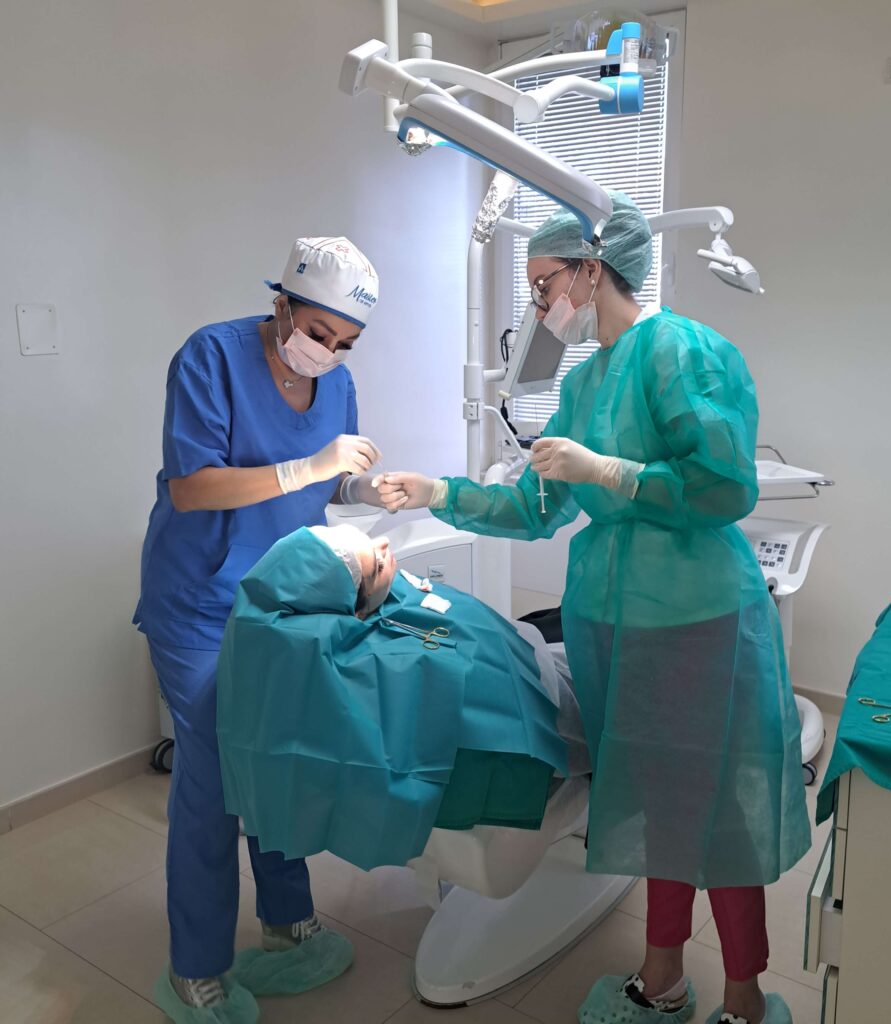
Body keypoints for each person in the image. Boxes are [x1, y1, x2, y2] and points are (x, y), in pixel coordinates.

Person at [377, 193, 811, 1024]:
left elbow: (725, 486)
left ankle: (747, 999)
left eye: (546, 286)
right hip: (614, 624)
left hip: (696, 620)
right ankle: (662, 979)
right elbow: (534, 506)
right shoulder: (584, 383)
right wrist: (437, 492)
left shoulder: (680, 348)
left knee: (716, 809)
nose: (542, 308)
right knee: (658, 803)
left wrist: (614, 472)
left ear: (591, 268)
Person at [134, 237, 389, 1024]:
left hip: (281, 593)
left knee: (278, 759)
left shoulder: (335, 382)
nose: (328, 353)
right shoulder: (211, 357)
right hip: (198, 601)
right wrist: (308, 468)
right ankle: (197, 965)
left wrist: (359, 488)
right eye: (319, 331)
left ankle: (287, 921)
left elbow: (324, 480)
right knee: (213, 780)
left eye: (345, 343)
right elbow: (191, 488)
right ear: (282, 302)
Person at [216, 523, 586, 875]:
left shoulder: (326, 640)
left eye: (369, 539)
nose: (384, 546)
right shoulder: (404, 668)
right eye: (377, 566)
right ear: (356, 609)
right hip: (546, 712)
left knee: (555, 626)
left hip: (530, 659)